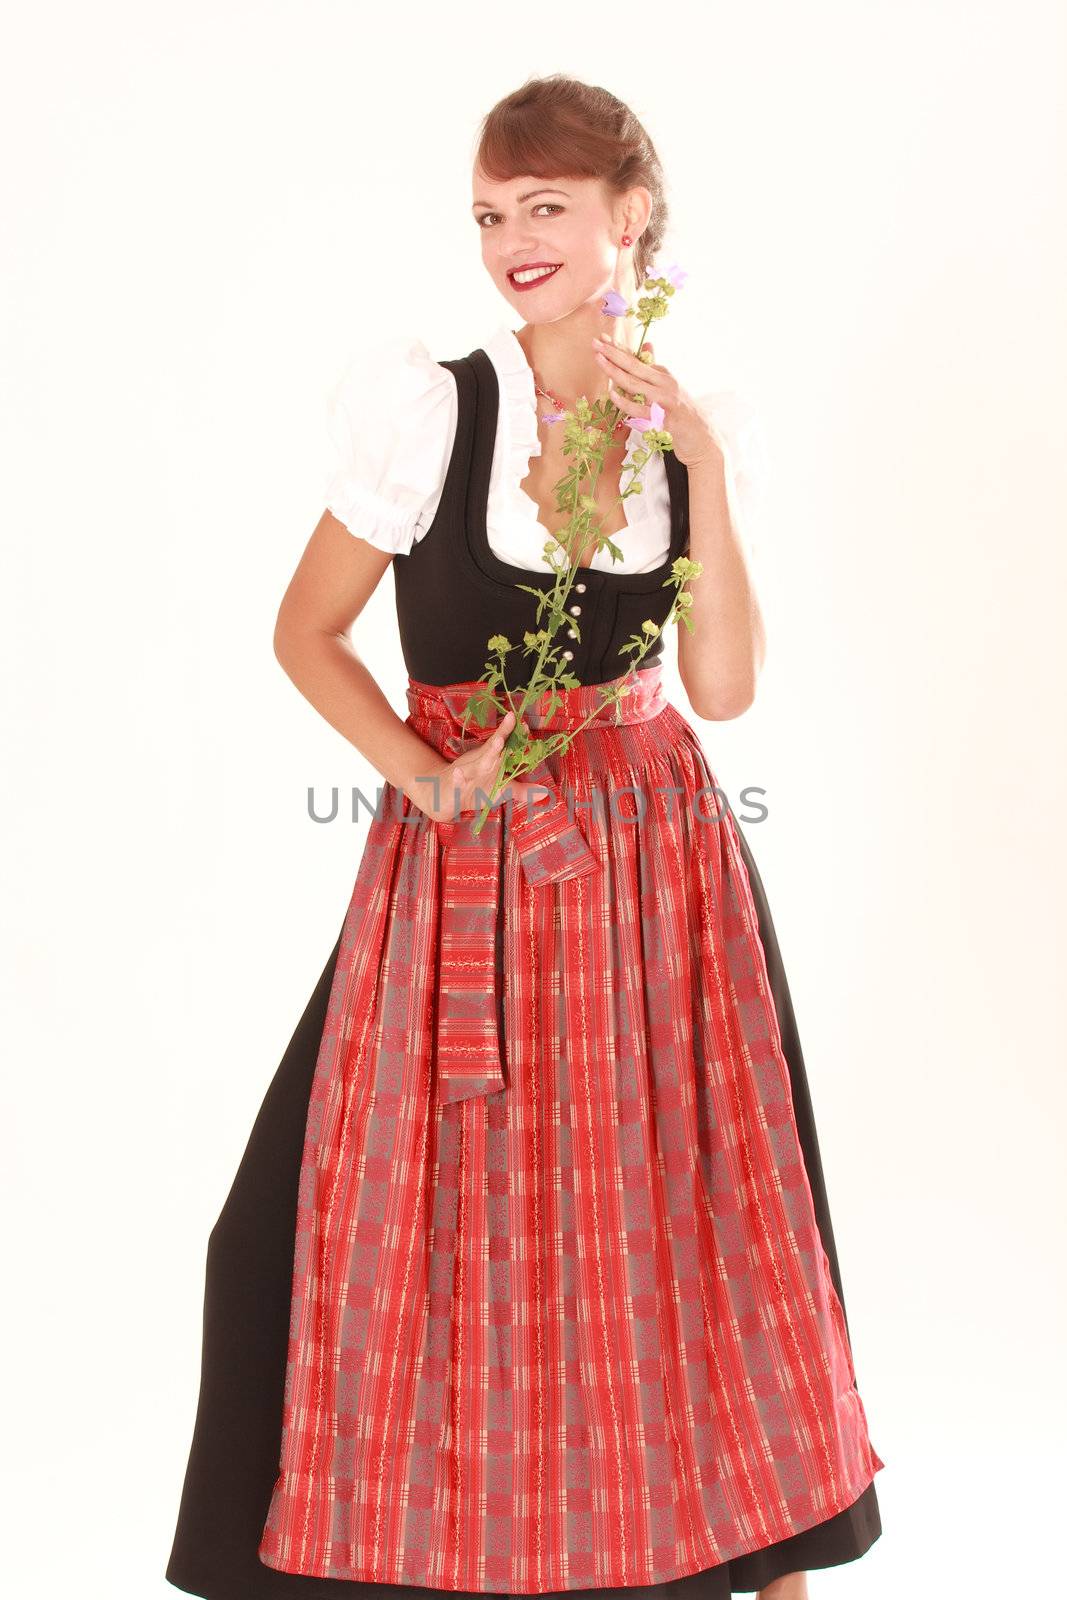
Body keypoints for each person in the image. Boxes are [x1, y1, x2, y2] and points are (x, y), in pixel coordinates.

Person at [165, 73, 884, 1600]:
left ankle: (747, 1560)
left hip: (658, 869)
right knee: (333, 1232)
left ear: (632, 219)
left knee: (677, 1218)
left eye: (546, 207)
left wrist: (695, 462)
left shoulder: (694, 431)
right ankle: (399, 1554)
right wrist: (421, 781)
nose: (513, 240)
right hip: (466, 873)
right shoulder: (436, 404)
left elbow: (726, 689)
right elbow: (306, 633)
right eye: (493, 213)